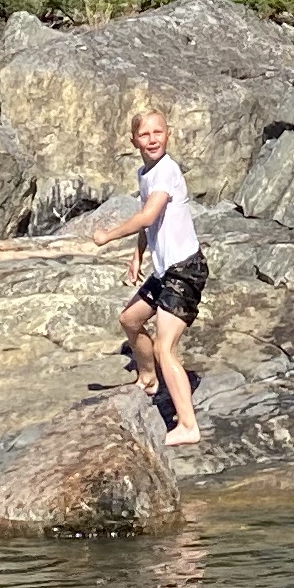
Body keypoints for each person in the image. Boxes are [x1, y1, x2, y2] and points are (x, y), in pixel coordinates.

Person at [83, 104, 205, 448]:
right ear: (134, 140)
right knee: (130, 319)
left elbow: (149, 215)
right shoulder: (145, 173)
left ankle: (188, 425)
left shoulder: (167, 171)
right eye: (145, 134)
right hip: (165, 271)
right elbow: (148, 222)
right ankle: (149, 379)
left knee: (166, 347)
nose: (152, 139)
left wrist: (108, 236)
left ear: (168, 134)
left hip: (185, 270)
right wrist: (138, 254)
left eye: (158, 132)